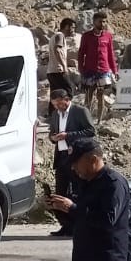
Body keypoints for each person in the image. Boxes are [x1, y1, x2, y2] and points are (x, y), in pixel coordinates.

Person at [43, 89, 95, 237]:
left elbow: (90, 131)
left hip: (77, 158)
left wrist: (68, 136)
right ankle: (66, 225)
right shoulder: (55, 114)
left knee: (77, 191)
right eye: (55, 104)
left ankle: (79, 224)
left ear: (67, 99)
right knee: (60, 192)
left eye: (60, 103)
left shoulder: (79, 111)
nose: (58, 107)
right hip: (61, 158)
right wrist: (52, 138)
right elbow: (52, 133)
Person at [77, 12, 118, 121]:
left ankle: (99, 121)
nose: (103, 23)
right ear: (94, 21)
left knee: (101, 96)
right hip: (89, 70)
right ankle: (86, 120)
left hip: (103, 70)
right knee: (89, 95)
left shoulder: (108, 36)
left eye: (104, 21)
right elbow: (81, 53)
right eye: (100, 21)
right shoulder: (86, 36)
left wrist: (114, 70)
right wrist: (81, 69)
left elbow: (110, 54)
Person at [47, 18, 79, 95]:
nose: (73, 30)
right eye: (73, 27)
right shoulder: (60, 36)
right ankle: (67, 107)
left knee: (56, 96)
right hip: (59, 71)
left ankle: (54, 107)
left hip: (51, 72)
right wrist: (64, 66)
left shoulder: (55, 36)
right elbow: (57, 50)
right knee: (69, 91)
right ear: (67, 27)